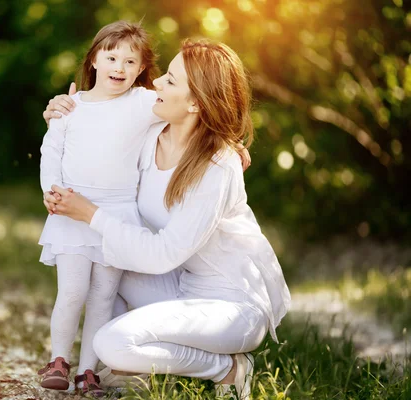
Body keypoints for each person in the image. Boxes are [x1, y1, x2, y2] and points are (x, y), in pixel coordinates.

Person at [42, 39, 291, 399]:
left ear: (195, 102)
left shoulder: (218, 166)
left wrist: (91, 214)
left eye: (170, 81)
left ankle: (227, 368)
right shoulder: (151, 136)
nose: (155, 83)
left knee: (112, 344)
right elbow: (95, 137)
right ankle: (140, 365)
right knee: (102, 267)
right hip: (176, 285)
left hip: (230, 305)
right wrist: (60, 113)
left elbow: (160, 253)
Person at [36, 20, 162, 397]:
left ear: (141, 70)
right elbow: (50, 152)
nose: (119, 68)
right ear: (94, 60)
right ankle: (59, 359)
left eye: (129, 61)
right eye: (111, 57)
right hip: (71, 209)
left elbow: (189, 111)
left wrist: (229, 141)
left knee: (103, 296)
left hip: (116, 215)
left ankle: (87, 370)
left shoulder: (142, 102)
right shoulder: (71, 107)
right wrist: (51, 191)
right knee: (72, 291)